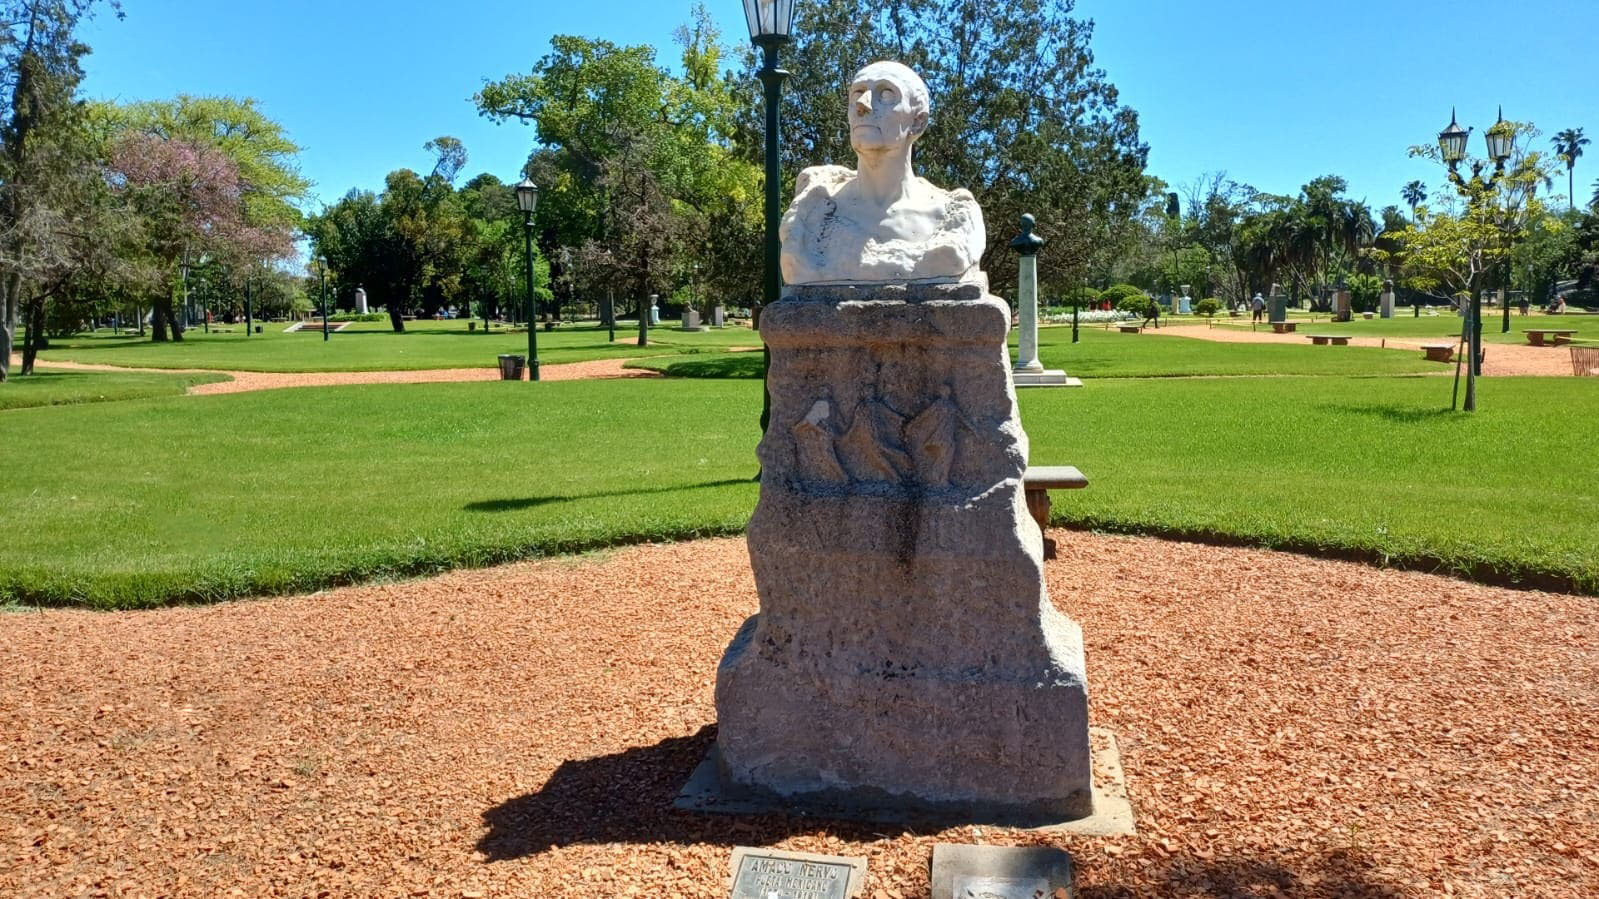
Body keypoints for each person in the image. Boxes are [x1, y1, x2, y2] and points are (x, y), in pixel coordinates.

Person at [779, 61, 985, 286]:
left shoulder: (953, 218)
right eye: (857, 94)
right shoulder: (812, 213)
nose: (863, 105)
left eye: (886, 94)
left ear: (918, 122)